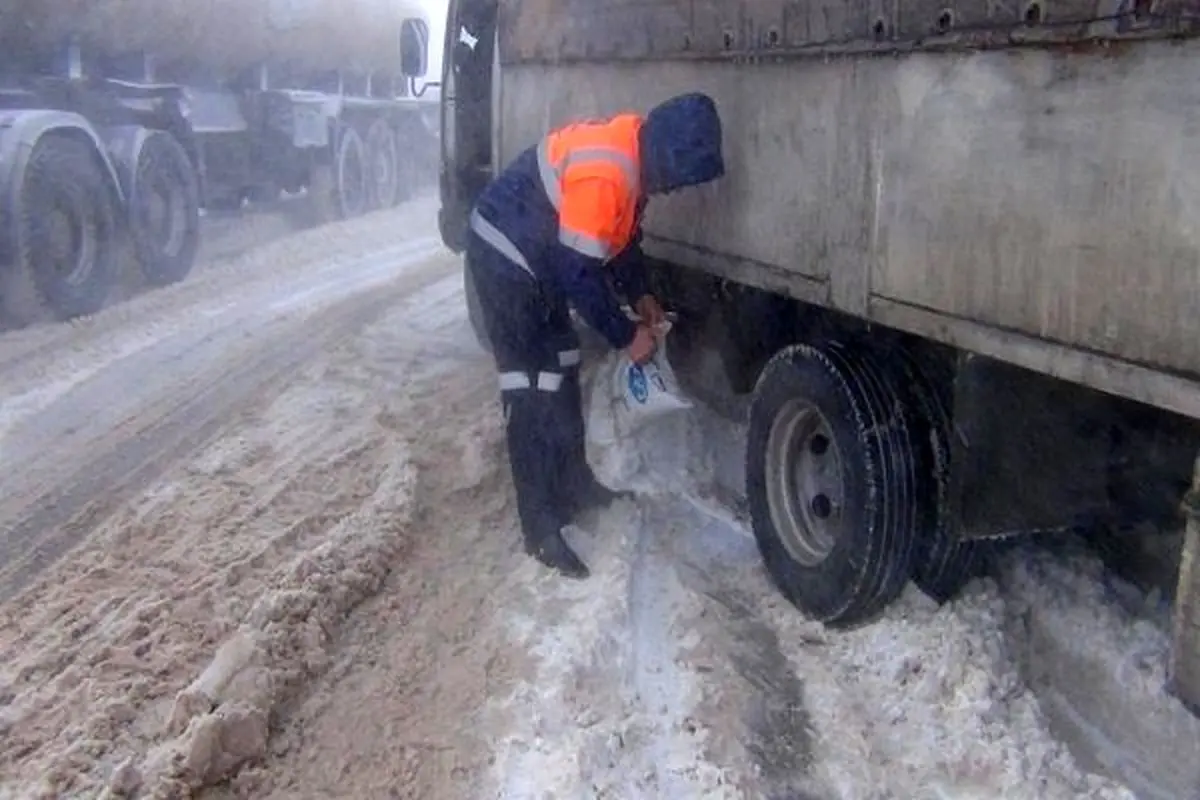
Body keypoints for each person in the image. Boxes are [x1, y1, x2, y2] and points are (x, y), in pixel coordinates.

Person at [465, 92, 725, 579]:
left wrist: (642, 295)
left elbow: (621, 242)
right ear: (665, 158)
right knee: (531, 384)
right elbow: (578, 272)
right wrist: (628, 335)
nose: (671, 192)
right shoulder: (610, 172)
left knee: (563, 361)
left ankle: (575, 481)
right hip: (504, 257)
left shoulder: (633, 160)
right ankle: (540, 526)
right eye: (675, 181)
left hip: (538, 262)